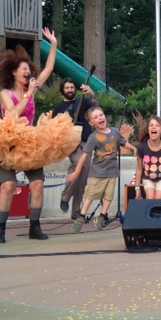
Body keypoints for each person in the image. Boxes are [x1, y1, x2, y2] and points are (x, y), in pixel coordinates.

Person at [0, 27, 58, 243]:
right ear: (14, 72)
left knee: (37, 185)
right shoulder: (5, 93)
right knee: (8, 186)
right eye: (24, 69)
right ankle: (0, 230)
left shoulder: (33, 86)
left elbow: (49, 68)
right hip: (9, 141)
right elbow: (12, 114)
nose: (28, 72)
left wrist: (54, 44)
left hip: (30, 142)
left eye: (29, 70)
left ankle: (35, 227)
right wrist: (29, 94)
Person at [67, 107, 137, 232]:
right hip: (97, 172)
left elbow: (123, 142)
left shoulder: (114, 132)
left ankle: (103, 215)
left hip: (112, 172)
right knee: (91, 194)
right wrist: (76, 172)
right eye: (96, 117)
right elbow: (84, 155)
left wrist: (134, 149)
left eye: (101, 115)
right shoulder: (93, 137)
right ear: (91, 123)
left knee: (109, 195)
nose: (100, 118)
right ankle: (82, 215)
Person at [52, 77, 97, 219]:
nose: (70, 90)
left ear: (75, 89)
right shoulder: (59, 107)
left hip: (85, 141)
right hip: (70, 143)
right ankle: (65, 197)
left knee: (82, 177)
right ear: (63, 90)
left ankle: (77, 213)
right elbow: (54, 127)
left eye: (72, 87)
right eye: (67, 88)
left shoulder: (83, 101)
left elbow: (96, 109)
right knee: (79, 163)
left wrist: (92, 94)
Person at [135, 115, 161, 200]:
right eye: (151, 125)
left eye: (157, 125)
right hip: (147, 178)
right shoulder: (142, 147)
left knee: (157, 200)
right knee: (150, 198)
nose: (154, 127)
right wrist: (137, 188)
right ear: (148, 130)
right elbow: (139, 168)